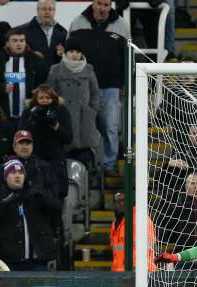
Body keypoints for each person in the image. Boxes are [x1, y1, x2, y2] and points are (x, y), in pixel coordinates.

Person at [68, 0, 130, 176]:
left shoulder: (122, 25)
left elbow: (128, 57)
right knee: (85, 127)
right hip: (84, 87)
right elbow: (69, 54)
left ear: (110, 6)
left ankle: (109, 164)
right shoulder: (77, 22)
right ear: (92, 4)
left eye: (106, 5)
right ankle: (91, 164)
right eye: (99, 4)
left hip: (111, 87)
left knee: (111, 126)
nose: (102, 8)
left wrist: (125, 83)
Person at [0, 158, 62, 271]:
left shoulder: (35, 193)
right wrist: (7, 201)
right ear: (6, 176)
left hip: (37, 260)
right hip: (8, 260)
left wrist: (43, 196)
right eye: (13, 172)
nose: (18, 176)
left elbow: (57, 208)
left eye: (21, 173)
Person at [46, 37, 100, 169]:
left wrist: (92, 111)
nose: (74, 55)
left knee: (84, 154)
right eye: (71, 51)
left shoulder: (88, 69)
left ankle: (85, 180)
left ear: (81, 54)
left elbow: (95, 92)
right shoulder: (56, 69)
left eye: (77, 51)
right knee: (64, 154)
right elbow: (50, 93)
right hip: (64, 116)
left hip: (84, 118)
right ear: (65, 53)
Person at [0, 28, 49, 124]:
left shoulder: (35, 59)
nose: (19, 44)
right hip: (4, 116)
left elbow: (45, 80)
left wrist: (36, 91)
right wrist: (1, 88)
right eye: (15, 41)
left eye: (22, 41)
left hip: (30, 116)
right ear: (7, 43)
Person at [19, 85, 72, 198]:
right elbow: (21, 136)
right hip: (35, 160)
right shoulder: (29, 112)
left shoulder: (61, 111)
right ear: (36, 99)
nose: (44, 100)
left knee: (57, 196)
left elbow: (68, 138)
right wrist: (32, 119)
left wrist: (55, 125)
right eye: (41, 98)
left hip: (56, 161)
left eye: (48, 98)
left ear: (53, 98)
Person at [109, 192, 157, 272]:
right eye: (117, 201)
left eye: (123, 200)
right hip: (120, 270)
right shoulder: (116, 222)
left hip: (138, 270)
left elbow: (149, 244)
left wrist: (135, 267)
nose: (120, 203)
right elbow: (115, 246)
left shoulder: (140, 218)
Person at [9, 130, 59, 199]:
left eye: (28, 143)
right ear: (14, 147)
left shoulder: (44, 167)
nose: (25, 147)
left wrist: (40, 193)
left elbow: (54, 195)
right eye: (21, 143)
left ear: (32, 146)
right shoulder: (6, 168)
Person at [20, 0, 68, 69]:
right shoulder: (23, 30)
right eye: (44, 9)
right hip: (32, 76)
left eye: (50, 9)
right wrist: (30, 55)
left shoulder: (62, 32)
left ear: (54, 11)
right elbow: (14, 52)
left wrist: (63, 54)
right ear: (37, 10)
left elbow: (68, 57)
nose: (47, 12)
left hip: (55, 77)